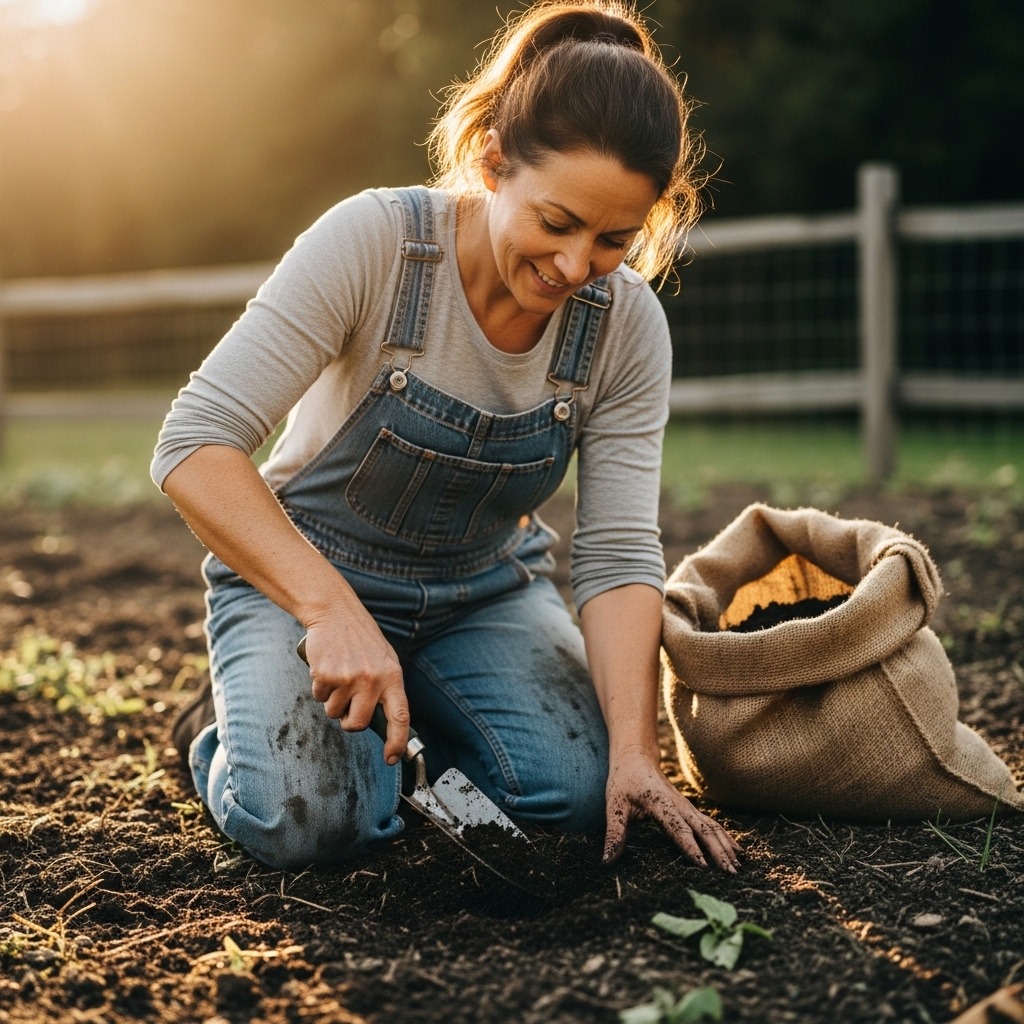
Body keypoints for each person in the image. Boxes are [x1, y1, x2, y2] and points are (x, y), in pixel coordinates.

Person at [154, 0, 742, 875]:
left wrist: (635, 757)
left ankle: (410, 722)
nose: (576, 266)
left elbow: (618, 554)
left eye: (615, 239)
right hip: (308, 580)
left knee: (575, 799)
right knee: (317, 823)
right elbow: (194, 442)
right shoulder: (377, 244)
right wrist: (327, 610)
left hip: (484, 591)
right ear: (494, 161)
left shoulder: (625, 328)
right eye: (556, 222)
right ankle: (223, 737)